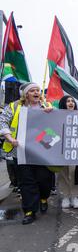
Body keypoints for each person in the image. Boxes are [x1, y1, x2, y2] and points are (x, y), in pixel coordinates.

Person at [0, 82, 54, 225]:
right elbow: (3, 122)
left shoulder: (46, 106)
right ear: (25, 94)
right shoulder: (14, 106)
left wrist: (51, 112)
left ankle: (43, 197)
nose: (36, 93)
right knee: (26, 181)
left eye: (38, 90)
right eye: (32, 91)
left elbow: (58, 121)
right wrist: (10, 138)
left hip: (42, 151)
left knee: (44, 180)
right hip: (21, 151)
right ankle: (29, 211)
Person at [58, 96, 78, 209]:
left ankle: (75, 196)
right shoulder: (56, 115)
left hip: (76, 149)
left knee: (74, 173)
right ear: (63, 104)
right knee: (63, 173)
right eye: (68, 101)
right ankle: (65, 196)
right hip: (61, 149)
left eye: (73, 101)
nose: (71, 103)